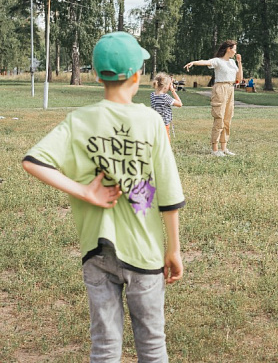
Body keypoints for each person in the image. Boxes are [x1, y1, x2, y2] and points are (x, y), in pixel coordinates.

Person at [21, 31, 186, 360]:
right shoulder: (151, 121)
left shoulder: (79, 120)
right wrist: (174, 248)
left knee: (105, 344)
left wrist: (85, 191)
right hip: (145, 252)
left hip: (96, 251)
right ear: (137, 76)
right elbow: (168, 194)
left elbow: (33, 161)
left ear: (97, 76)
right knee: (152, 343)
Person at [184, 40, 243, 157]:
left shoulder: (232, 62)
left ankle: (224, 148)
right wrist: (194, 62)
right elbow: (205, 62)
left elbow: (239, 79)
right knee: (219, 118)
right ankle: (215, 149)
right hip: (220, 89)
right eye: (234, 49)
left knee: (227, 119)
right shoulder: (218, 61)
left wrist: (239, 62)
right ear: (228, 49)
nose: (236, 52)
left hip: (230, 88)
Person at [151, 72, 183, 140]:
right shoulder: (165, 97)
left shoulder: (152, 95)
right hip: (164, 125)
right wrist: (173, 90)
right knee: (165, 142)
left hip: (155, 124)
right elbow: (180, 104)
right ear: (165, 86)